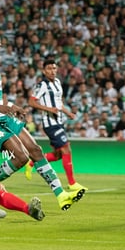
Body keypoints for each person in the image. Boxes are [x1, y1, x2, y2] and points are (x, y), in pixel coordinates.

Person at [0, 26, 85, 211]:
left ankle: (61, 195)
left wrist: (11, 106)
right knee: (21, 157)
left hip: (1, 115)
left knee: (35, 150)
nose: (0, 44)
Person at [28, 59, 87, 191]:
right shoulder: (42, 85)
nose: (52, 71)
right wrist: (49, 109)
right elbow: (31, 102)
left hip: (59, 121)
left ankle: (32, 162)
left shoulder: (58, 83)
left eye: (54, 68)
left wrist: (68, 112)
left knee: (58, 155)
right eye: (49, 68)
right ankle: (72, 183)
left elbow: (59, 103)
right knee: (66, 148)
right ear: (44, 71)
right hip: (50, 124)